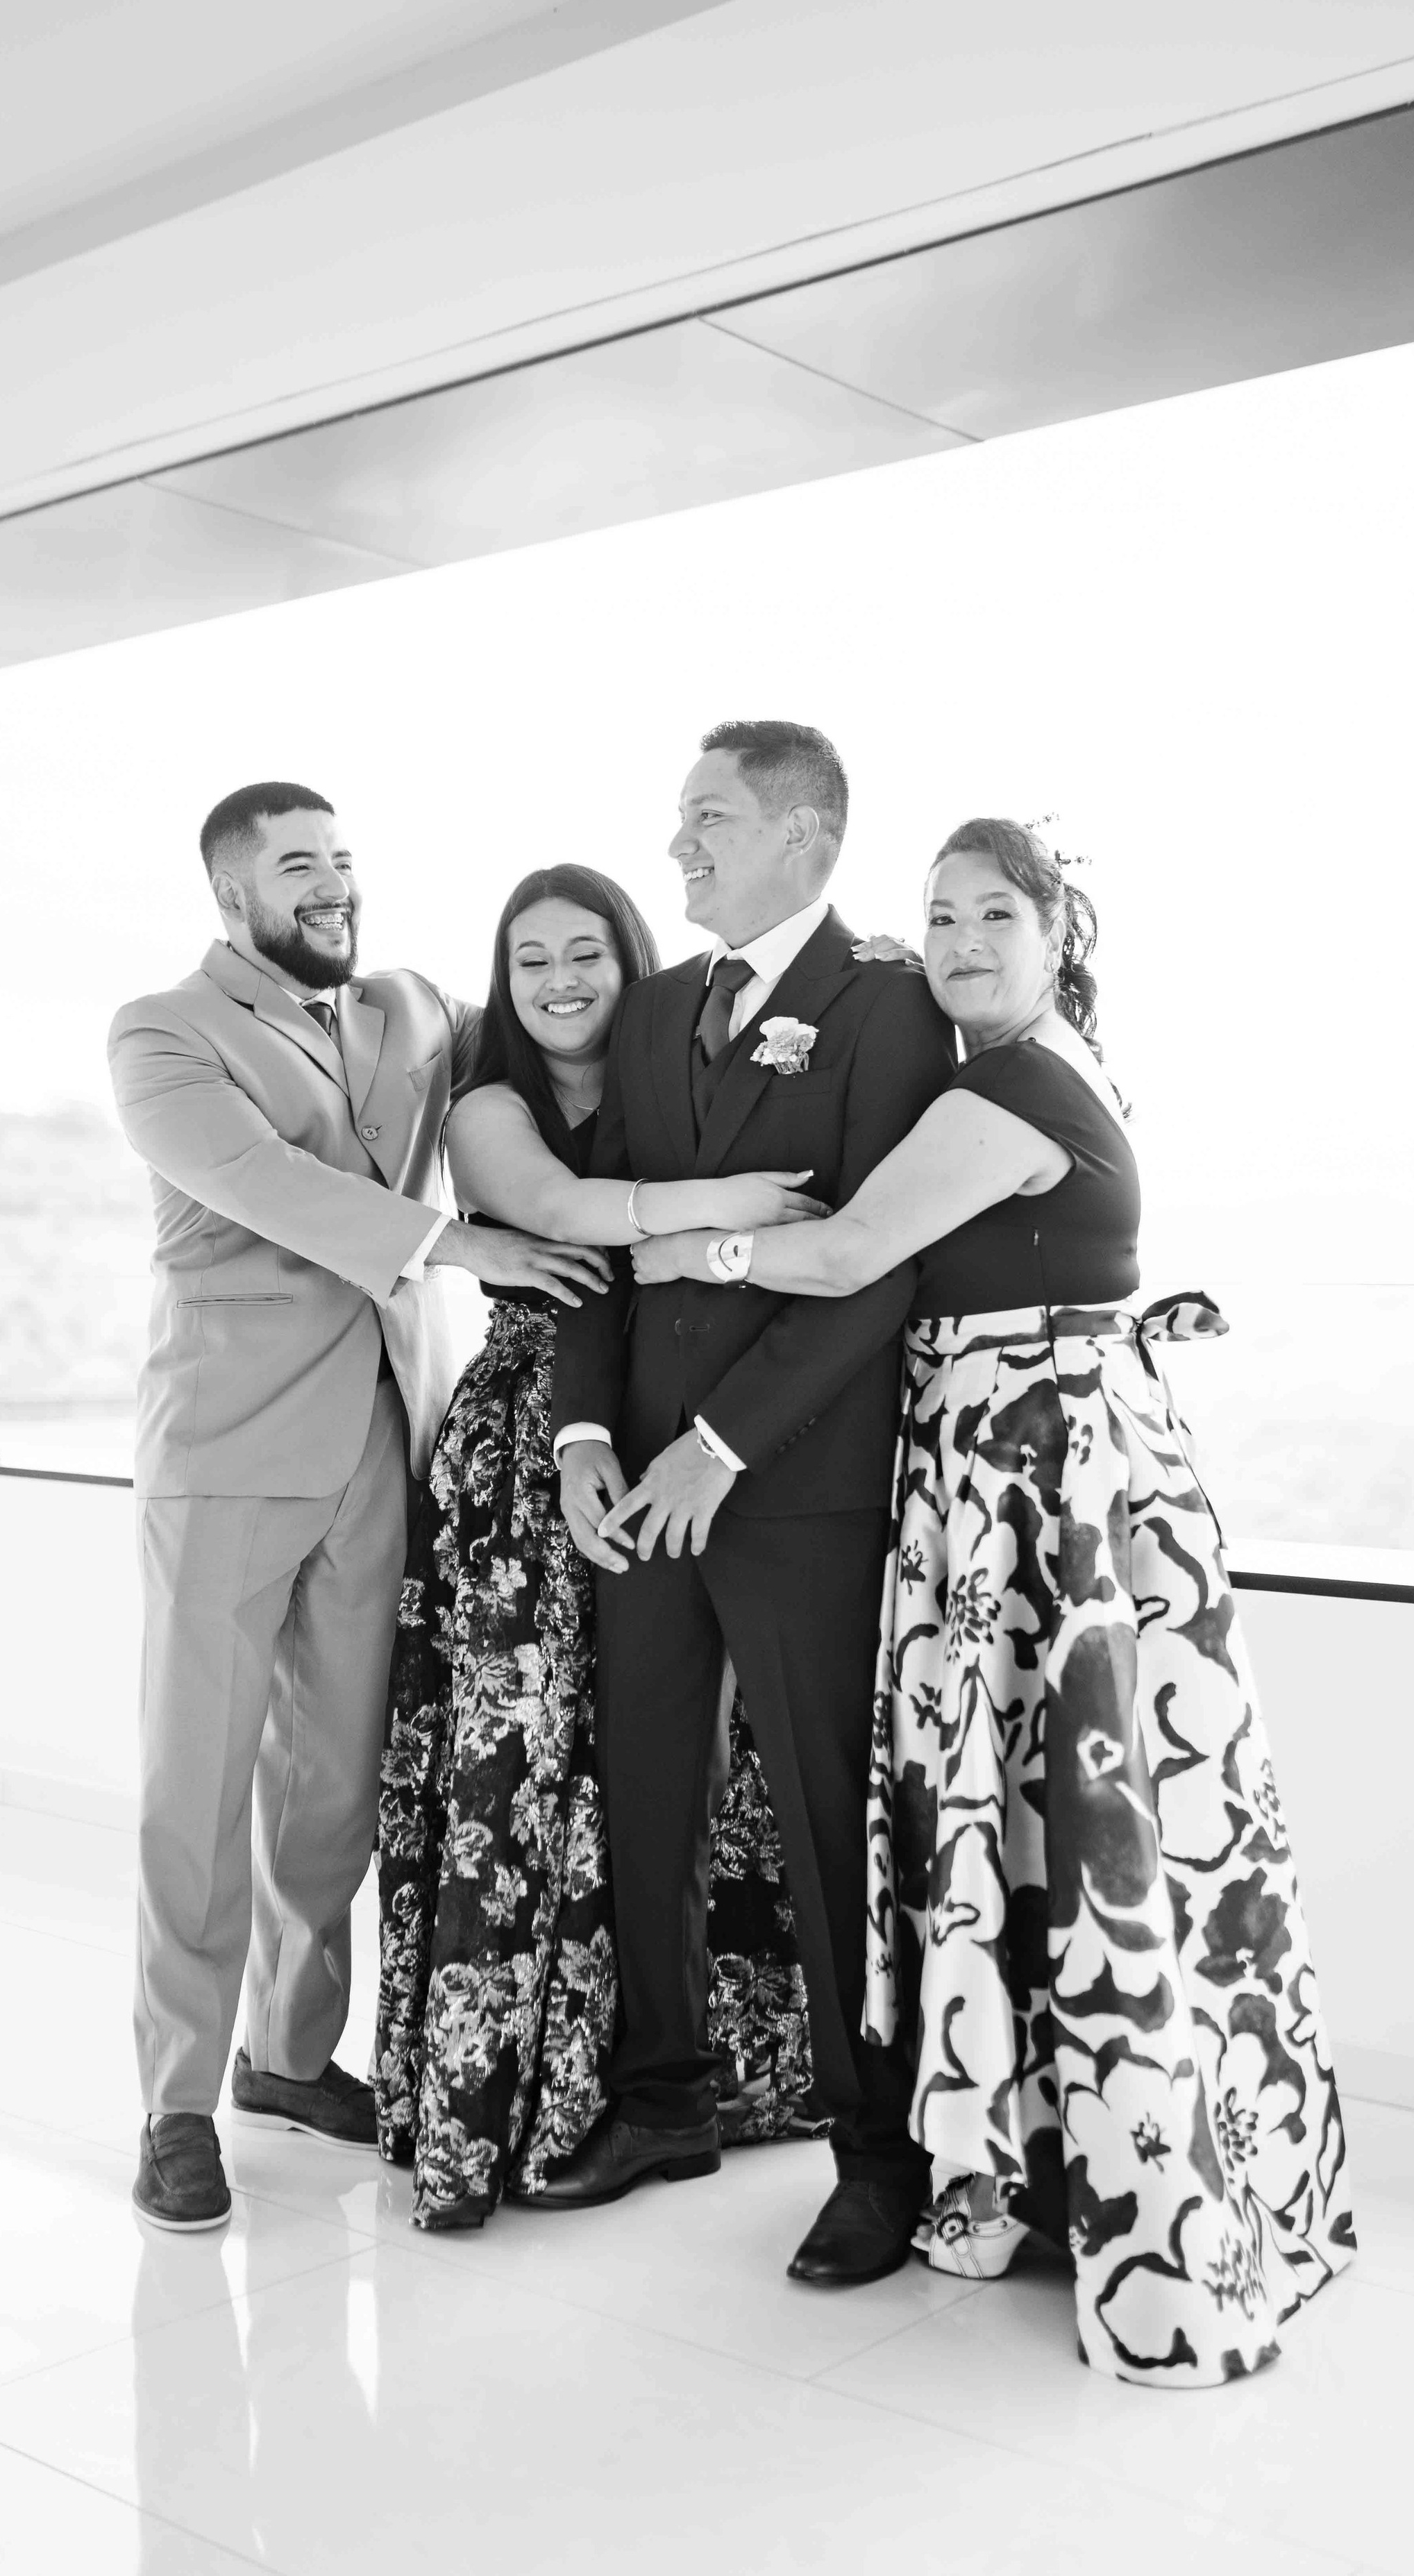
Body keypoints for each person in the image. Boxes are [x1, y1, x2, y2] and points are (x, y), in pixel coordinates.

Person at [632, 815, 1356, 2382]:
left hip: (1033, 1480)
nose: (958, 943)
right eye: (937, 918)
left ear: (1052, 936)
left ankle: (1121, 2197)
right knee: (1052, 1822)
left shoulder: (1004, 1085)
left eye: (990, 919)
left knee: (1063, 1822)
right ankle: (1067, 2166)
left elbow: (843, 1262)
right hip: (1050, 1465)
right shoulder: (1058, 1063)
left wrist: (673, 1239)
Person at [108, 781, 608, 2234]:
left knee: (332, 1784)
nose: (330, 886)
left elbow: (557, 1006)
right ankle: (175, 2105)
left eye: (341, 860)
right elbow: (264, 1184)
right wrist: (472, 1247)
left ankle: (283, 2052)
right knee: (194, 1795)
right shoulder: (161, 1033)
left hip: (379, 1452)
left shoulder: (407, 1009)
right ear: (231, 896)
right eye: (295, 868)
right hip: (224, 1448)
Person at [539, 722, 958, 2292]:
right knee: (644, 1788)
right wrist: (587, 1433)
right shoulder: (655, 1013)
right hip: (634, 1473)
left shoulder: (890, 1005)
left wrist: (717, 1446)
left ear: (803, 833)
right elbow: (602, 1239)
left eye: (706, 819)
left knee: (815, 1818)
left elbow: (878, 1264)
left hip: (792, 1487)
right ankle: (662, 2100)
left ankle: (875, 2157)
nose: (679, 849)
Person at [374, 864, 838, 2230]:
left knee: (661, 1768)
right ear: (504, 984)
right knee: (522, 1764)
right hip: (532, 1443)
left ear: (630, 962)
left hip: (678, 1434)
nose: (561, 979)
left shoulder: (670, 1078)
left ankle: (689, 2076)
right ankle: (515, 2095)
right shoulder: (492, 1103)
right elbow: (571, 1221)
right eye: (531, 961)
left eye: (586, 952)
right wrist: (732, 1204)